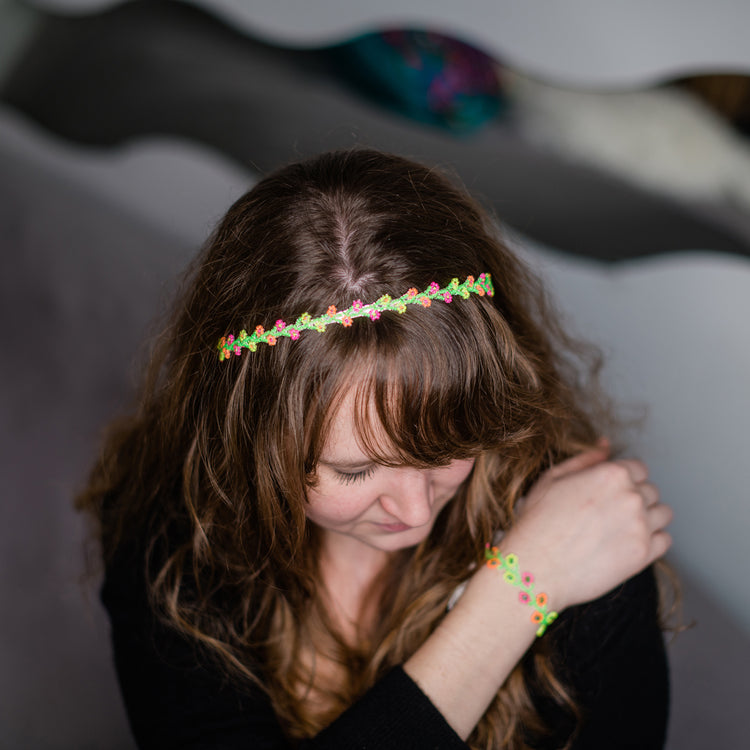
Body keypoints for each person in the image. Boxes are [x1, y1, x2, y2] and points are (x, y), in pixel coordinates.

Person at [78, 149, 674, 750]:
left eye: (447, 446)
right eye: (357, 470)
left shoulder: (587, 538)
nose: (414, 512)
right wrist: (521, 589)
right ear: (252, 441)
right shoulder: (170, 531)